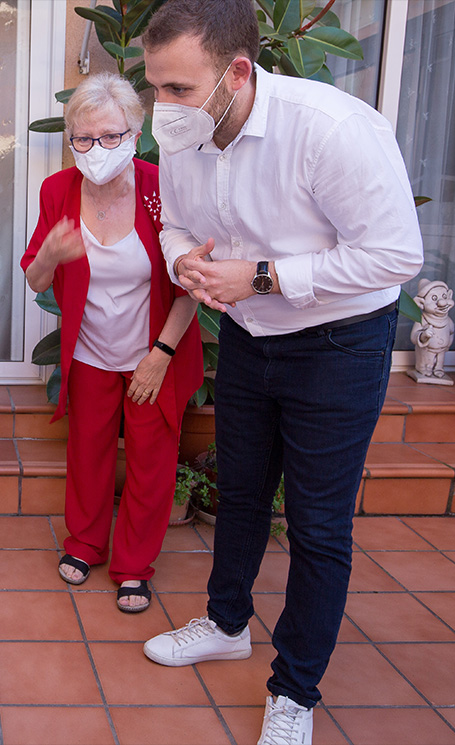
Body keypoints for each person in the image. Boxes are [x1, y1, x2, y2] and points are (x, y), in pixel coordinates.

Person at [138, 1, 423, 743]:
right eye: (154, 86)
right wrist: (182, 260)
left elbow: (396, 255)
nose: (161, 108)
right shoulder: (182, 133)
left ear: (238, 72)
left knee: (319, 525)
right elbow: (172, 224)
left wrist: (260, 276)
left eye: (179, 89)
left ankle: (294, 689)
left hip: (339, 343)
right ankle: (228, 620)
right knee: (240, 489)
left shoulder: (330, 130)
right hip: (249, 334)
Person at [21, 73, 201, 613]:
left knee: (151, 461)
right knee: (89, 454)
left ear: (136, 133)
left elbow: (191, 282)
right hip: (90, 352)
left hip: (153, 352)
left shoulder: (161, 188)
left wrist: (161, 356)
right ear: (70, 139)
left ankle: (134, 566)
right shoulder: (57, 191)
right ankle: (84, 544)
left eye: (111, 136)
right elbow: (35, 278)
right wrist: (51, 254)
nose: (97, 149)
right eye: (84, 138)